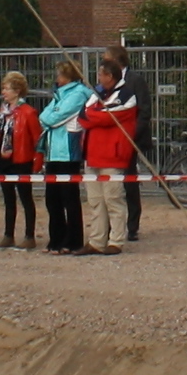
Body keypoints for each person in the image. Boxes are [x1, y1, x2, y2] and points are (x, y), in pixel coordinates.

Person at [39, 56, 93, 253]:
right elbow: (45, 115)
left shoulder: (78, 94)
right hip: (53, 152)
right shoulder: (58, 95)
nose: (56, 78)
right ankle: (56, 238)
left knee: (69, 199)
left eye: (59, 74)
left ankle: (73, 240)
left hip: (68, 153)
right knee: (52, 199)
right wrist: (48, 116)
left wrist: (49, 117)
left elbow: (55, 117)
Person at [79, 68, 138, 249]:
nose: (98, 77)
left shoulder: (127, 95)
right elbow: (83, 115)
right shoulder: (97, 94)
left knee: (113, 200)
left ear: (110, 76)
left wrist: (94, 116)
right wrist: (95, 116)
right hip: (92, 154)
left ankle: (116, 240)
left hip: (112, 155)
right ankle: (97, 240)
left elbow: (109, 116)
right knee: (96, 201)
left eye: (101, 74)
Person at [99, 47, 153, 240]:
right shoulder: (105, 85)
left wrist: (132, 135)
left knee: (130, 182)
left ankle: (132, 225)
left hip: (129, 139)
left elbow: (144, 110)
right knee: (111, 184)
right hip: (110, 140)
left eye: (106, 60)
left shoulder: (135, 80)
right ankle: (111, 226)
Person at [0, 71, 41, 247]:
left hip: (22, 160)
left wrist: (37, 161)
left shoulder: (28, 113)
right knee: (8, 199)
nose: (4, 92)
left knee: (25, 198)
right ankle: (8, 234)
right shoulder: (3, 111)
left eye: (7, 88)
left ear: (17, 90)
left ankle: (29, 236)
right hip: (4, 159)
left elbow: (37, 139)